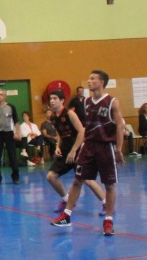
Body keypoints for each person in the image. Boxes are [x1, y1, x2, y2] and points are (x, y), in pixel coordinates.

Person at [52, 70, 126, 236]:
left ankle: (108, 220)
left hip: (106, 147)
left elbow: (119, 126)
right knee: (78, 180)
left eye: (92, 79)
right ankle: (66, 216)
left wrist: (119, 149)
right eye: (89, 78)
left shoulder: (112, 102)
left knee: (109, 184)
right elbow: (86, 128)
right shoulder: (86, 102)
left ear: (101, 82)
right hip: (89, 146)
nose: (89, 81)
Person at [45, 89, 106, 215]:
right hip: (65, 150)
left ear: (62, 100)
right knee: (51, 176)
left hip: (78, 149)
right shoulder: (53, 117)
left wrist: (74, 150)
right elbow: (60, 134)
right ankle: (67, 200)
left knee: (87, 179)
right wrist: (57, 146)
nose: (52, 101)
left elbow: (82, 131)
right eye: (51, 99)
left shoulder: (70, 114)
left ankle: (106, 204)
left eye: (55, 98)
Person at [0, 89, 21, 185]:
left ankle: (15, 177)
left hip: (9, 133)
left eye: (1, 94)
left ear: (5, 96)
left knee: (12, 156)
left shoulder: (11, 107)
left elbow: (16, 121)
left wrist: (17, 132)